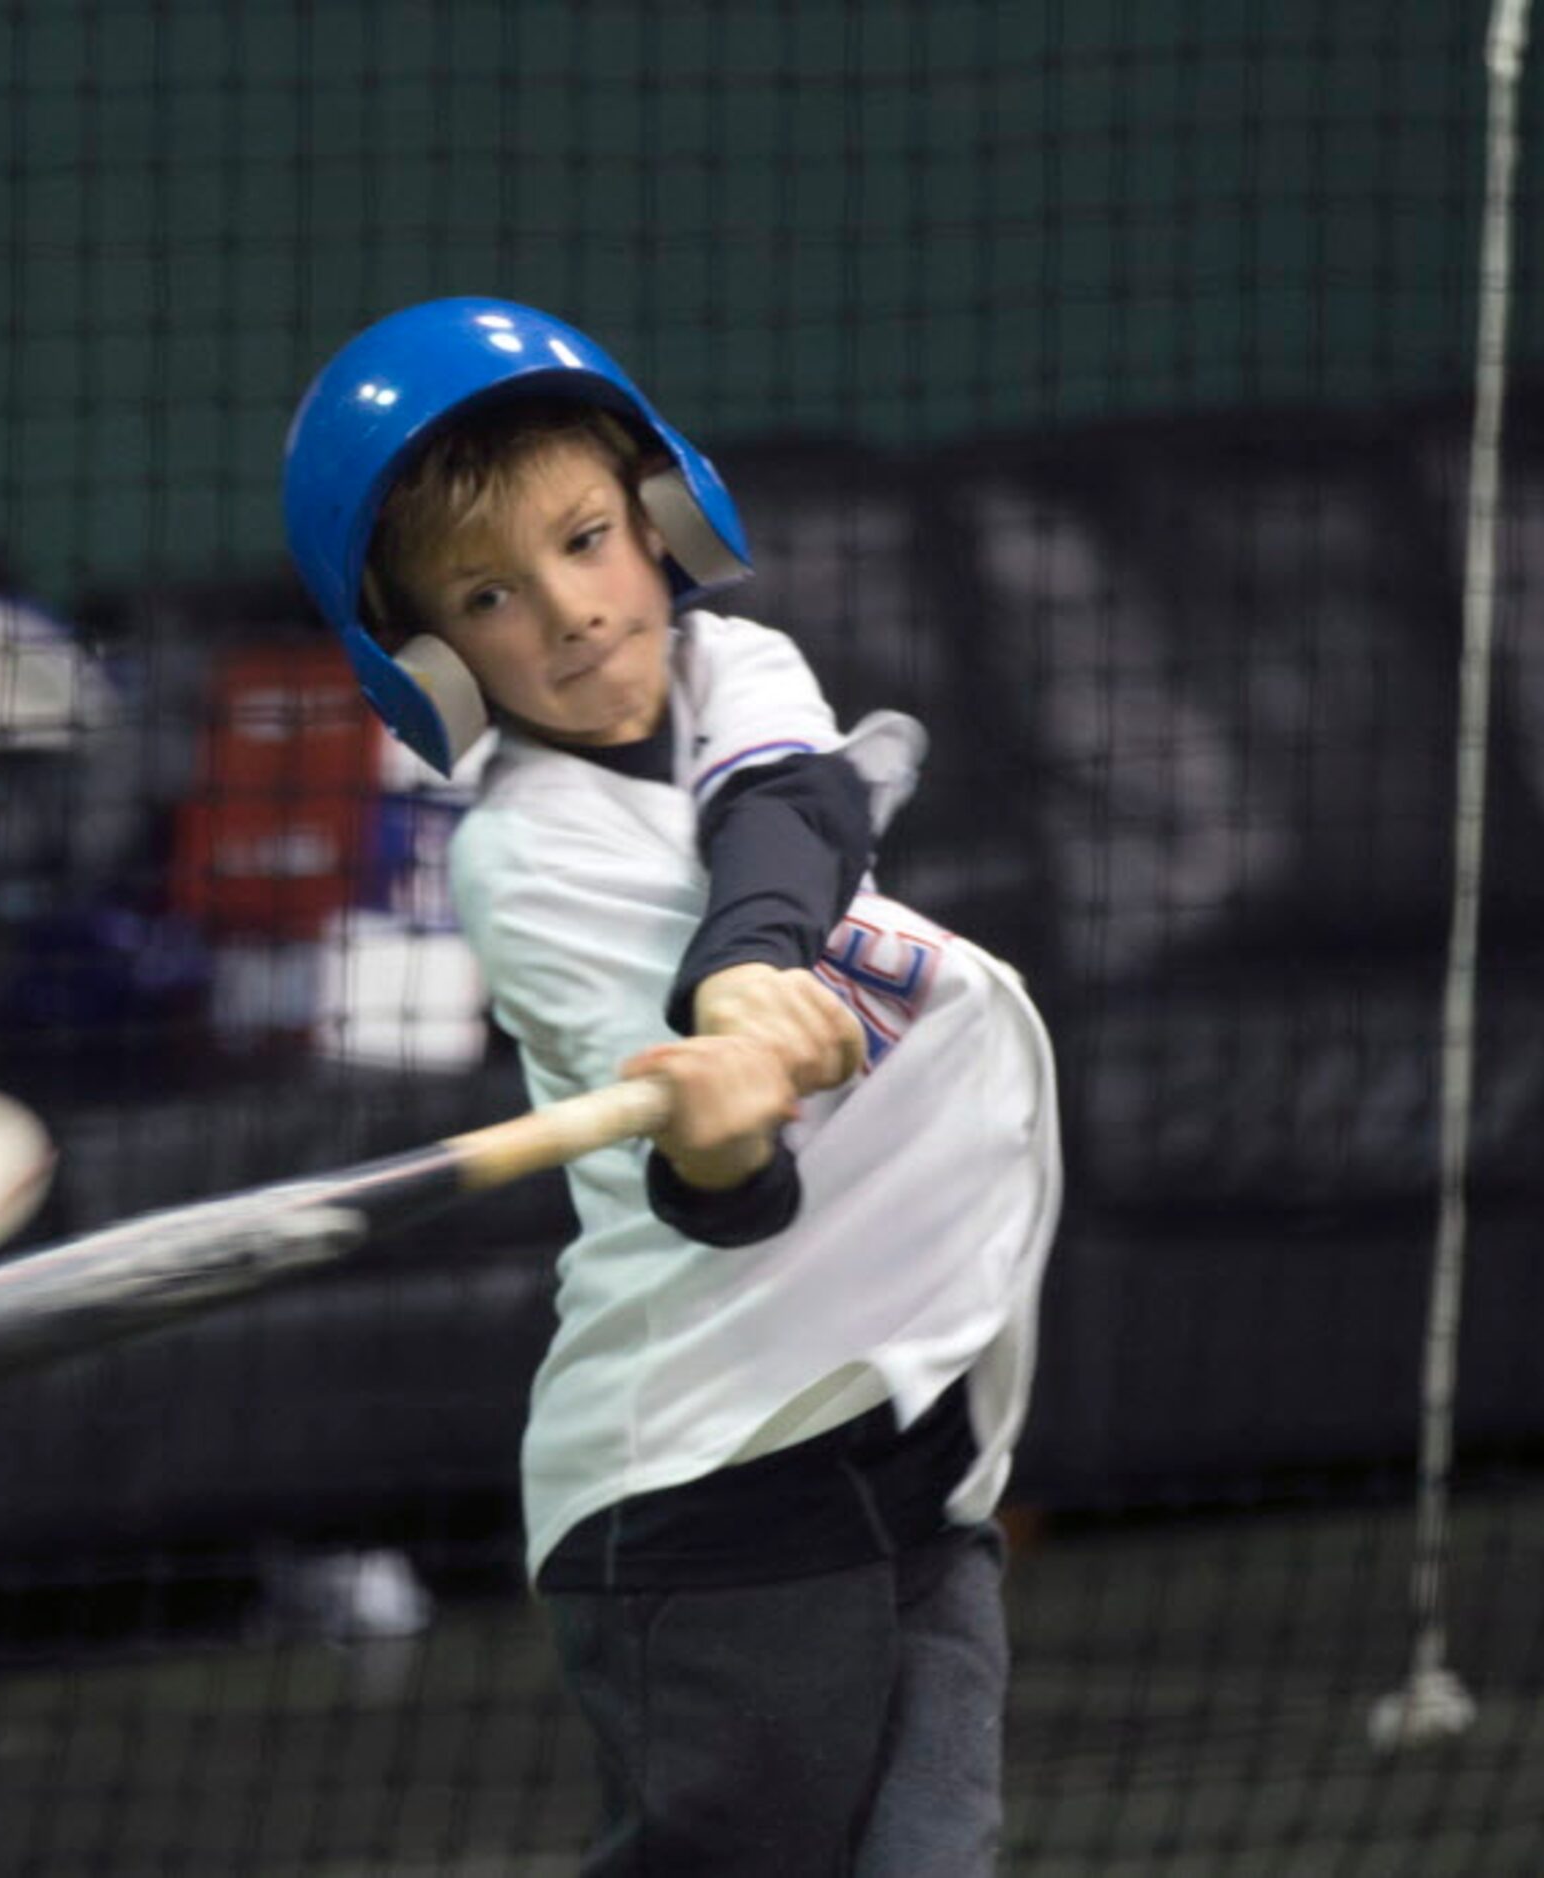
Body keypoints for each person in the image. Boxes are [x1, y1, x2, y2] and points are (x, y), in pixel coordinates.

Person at [281, 297, 1062, 1875]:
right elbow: (720, 1195)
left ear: (656, 516)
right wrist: (722, 1133)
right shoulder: (525, 856)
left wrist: (741, 977)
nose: (569, 612)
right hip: (714, 1478)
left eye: (585, 540)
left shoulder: (734, 664)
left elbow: (790, 809)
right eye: (493, 592)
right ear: (429, 656)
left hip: (905, 1420)